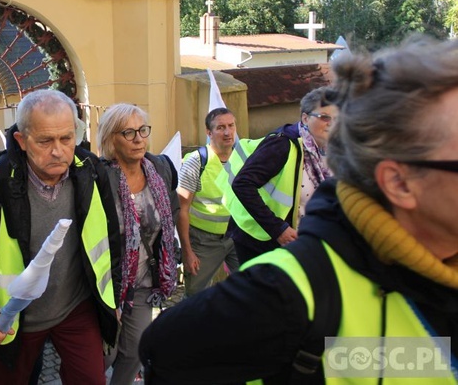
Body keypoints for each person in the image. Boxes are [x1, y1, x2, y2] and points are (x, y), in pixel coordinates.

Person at [140, 35, 458, 383]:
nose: (229, 132)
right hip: (256, 243)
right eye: (324, 118)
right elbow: (165, 350)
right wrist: (275, 228)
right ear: (398, 182)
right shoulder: (290, 293)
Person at [0, 89, 121, 385]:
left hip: (76, 308)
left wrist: (113, 299)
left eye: (66, 138)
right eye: (45, 141)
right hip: (14, 318)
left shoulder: (91, 172)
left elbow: (111, 237)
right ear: (21, 140)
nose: (58, 151)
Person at [97, 103, 179, 385]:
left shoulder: (159, 168)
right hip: (106, 287)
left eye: (142, 130)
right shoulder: (98, 178)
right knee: (102, 356)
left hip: (143, 282)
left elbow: (173, 213)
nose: (139, 139)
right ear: (110, 139)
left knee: (135, 350)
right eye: (129, 132)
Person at [223, 86, 337, 263]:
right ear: (305, 118)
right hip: (261, 241)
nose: (332, 123)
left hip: (302, 240)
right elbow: (242, 183)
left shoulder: (330, 150)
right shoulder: (282, 144)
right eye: (324, 117)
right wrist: (278, 229)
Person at [177, 107, 239, 297]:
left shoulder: (244, 156)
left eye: (231, 126)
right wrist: (187, 252)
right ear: (208, 132)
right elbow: (182, 210)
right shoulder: (196, 162)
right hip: (203, 242)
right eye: (221, 127)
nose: (227, 132)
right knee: (196, 297)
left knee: (252, 288)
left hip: (237, 236)